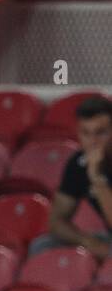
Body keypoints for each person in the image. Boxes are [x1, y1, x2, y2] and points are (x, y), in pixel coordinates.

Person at [29, 94, 112, 258]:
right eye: (86, 133)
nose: (93, 141)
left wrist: (97, 179)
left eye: (101, 133)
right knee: (42, 245)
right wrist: (87, 241)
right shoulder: (78, 163)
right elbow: (57, 221)